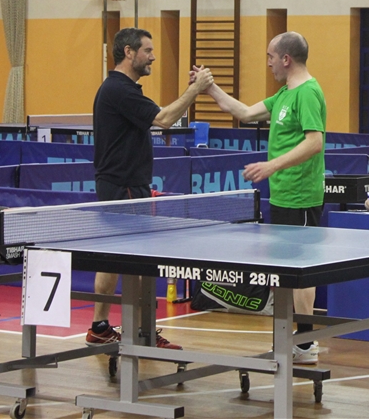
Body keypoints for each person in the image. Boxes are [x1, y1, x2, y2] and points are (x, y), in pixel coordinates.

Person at [200, 31, 326, 365]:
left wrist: (272, 165)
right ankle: (292, 340)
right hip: (282, 196)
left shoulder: (308, 93)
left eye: (271, 56)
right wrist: (209, 87)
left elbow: (315, 142)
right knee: (286, 269)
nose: (268, 63)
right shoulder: (284, 94)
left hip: (301, 196)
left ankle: (305, 343)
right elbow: (243, 112)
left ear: (286, 58)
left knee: (301, 270)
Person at [88, 27, 214, 349]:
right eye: (147, 50)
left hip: (118, 186)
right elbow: (164, 119)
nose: (153, 57)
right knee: (141, 261)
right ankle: (143, 331)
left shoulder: (118, 89)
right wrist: (195, 89)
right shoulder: (120, 90)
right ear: (128, 52)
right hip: (126, 188)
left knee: (111, 258)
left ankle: (100, 326)